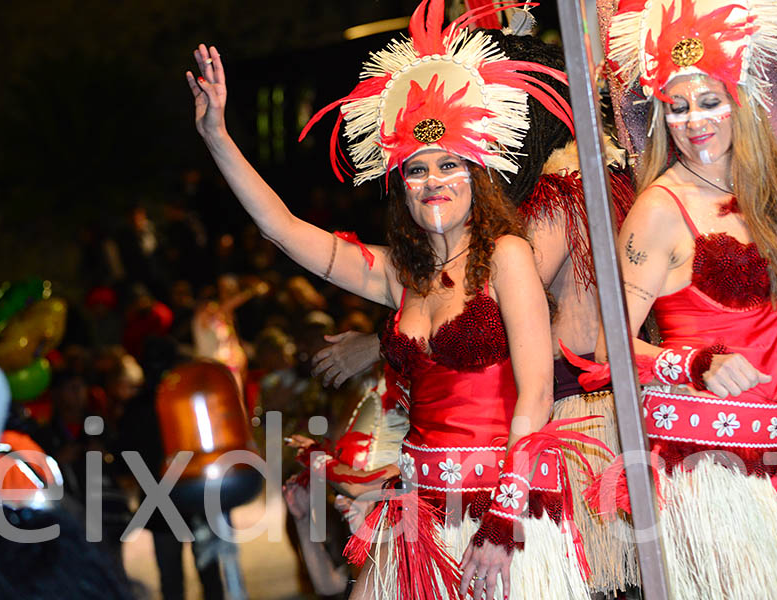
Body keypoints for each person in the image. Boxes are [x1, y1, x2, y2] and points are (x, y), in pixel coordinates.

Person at [185, 1, 600, 597]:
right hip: (417, 516)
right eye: (416, 170)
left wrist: (506, 519)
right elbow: (282, 228)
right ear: (399, 184)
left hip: (499, 514)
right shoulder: (397, 274)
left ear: (477, 171)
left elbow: (534, 395)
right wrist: (217, 137)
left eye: (449, 165)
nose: (433, 182)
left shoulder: (507, 256)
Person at [311, 28, 641, 596]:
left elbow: (471, 299)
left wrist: (382, 340)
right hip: (575, 413)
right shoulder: (610, 187)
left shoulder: (551, 206)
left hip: (553, 420)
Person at [587, 0, 777, 596]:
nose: (692, 120)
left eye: (707, 101)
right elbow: (606, 350)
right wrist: (695, 363)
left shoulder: (770, 189)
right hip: (711, 467)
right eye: (676, 107)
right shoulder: (658, 208)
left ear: (740, 101)